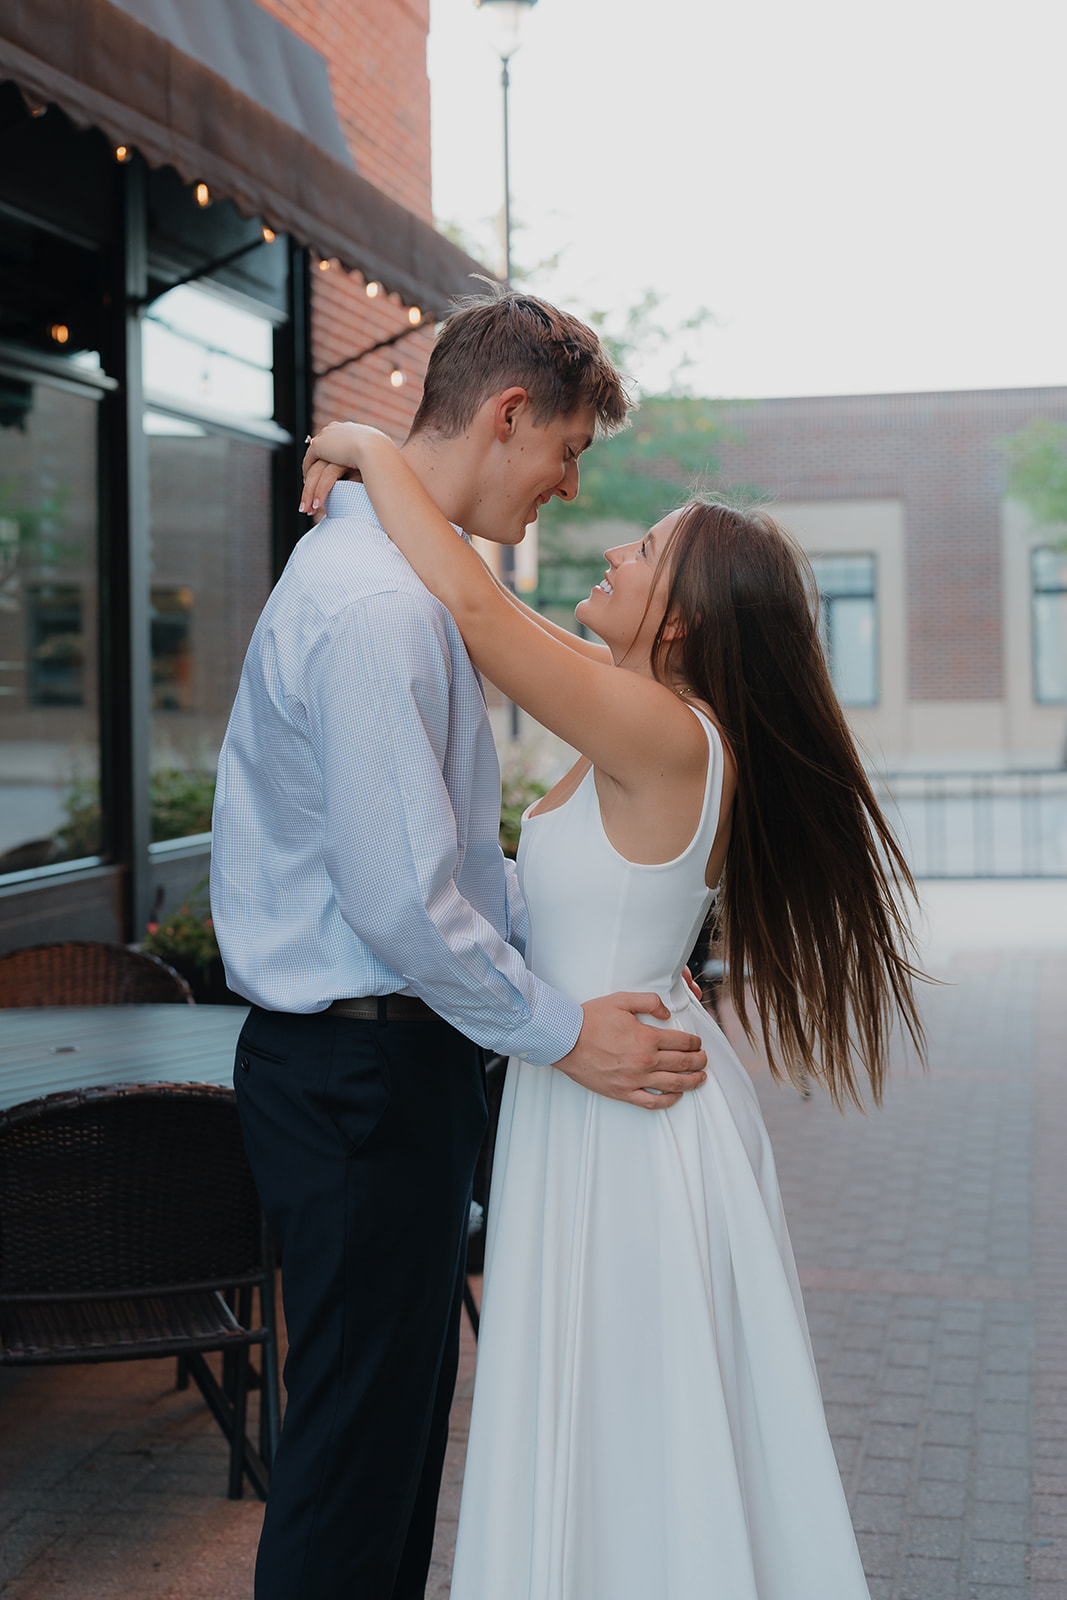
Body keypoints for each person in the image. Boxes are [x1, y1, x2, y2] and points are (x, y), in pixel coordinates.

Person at [300, 417, 926, 1600]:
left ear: (681, 618)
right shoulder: (633, 711)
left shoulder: (658, 730)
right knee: (606, 1402)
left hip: (626, 1115)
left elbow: (484, 622)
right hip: (597, 1083)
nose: (611, 554)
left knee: (638, 1413)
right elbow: (518, 632)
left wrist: (374, 454)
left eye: (641, 549)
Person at [209, 293, 710, 1600]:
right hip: (360, 1081)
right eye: (568, 453)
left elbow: (454, 873)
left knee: (379, 1460)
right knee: (350, 1474)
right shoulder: (381, 605)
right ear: (507, 417)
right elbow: (400, 904)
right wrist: (556, 1031)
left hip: (376, 1076)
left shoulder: (411, 579)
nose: (564, 485)